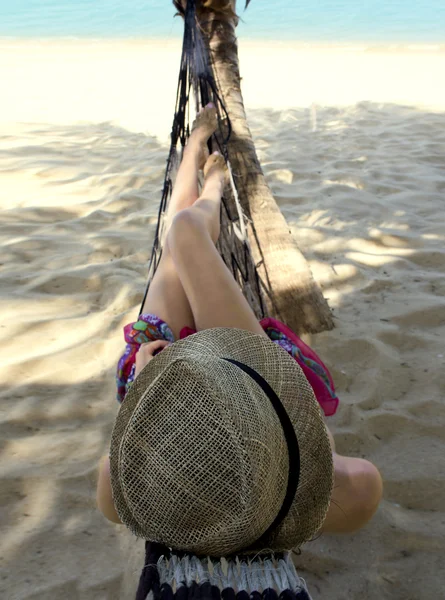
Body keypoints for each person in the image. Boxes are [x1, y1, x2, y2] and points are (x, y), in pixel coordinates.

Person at [97, 103, 382, 552]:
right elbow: (314, 442)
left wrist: (151, 381)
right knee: (187, 231)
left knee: (178, 242)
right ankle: (212, 181)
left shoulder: (120, 491)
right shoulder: (357, 489)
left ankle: (193, 157)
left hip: (177, 384)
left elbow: (118, 472)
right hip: (254, 381)